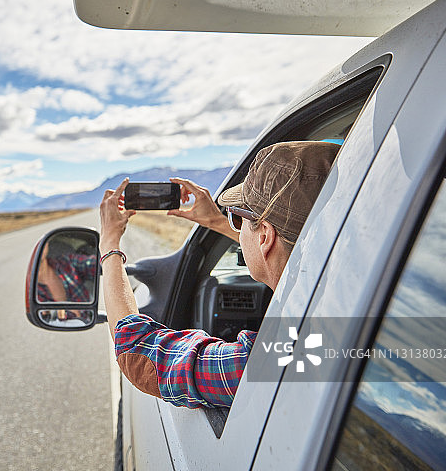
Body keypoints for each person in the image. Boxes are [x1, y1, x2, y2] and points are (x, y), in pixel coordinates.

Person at [98, 141, 340, 408]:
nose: (238, 228)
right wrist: (216, 221)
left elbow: (137, 352)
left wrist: (110, 244)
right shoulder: (351, 299)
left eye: (239, 218)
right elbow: (275, 243)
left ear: (265, 237)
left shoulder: (277, 360)